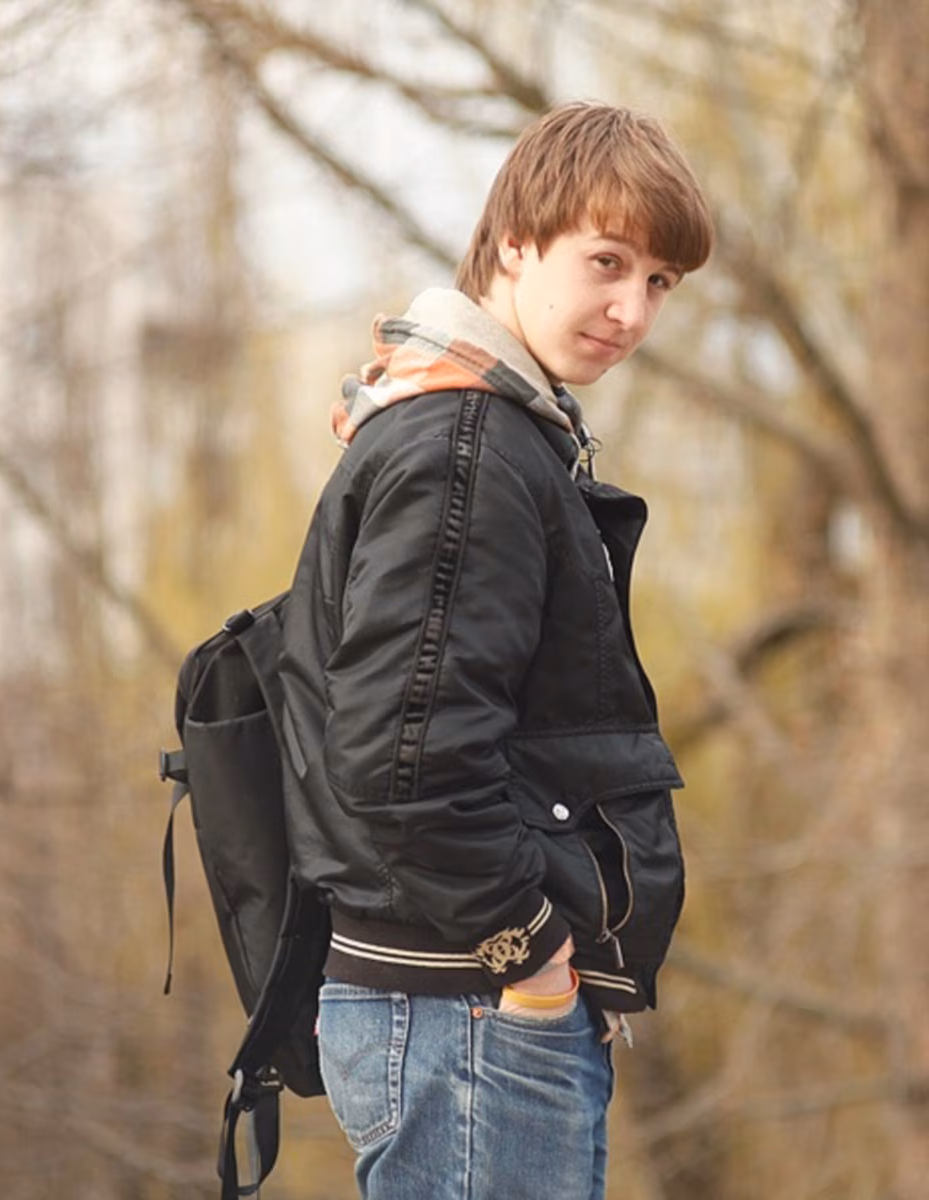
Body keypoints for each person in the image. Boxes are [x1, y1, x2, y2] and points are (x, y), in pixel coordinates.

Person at [278, 101, 713, 1199]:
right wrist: (532, 959)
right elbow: (401, 759)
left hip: (458, 1008)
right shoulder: (467, 448)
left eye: (659, 281)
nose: (631, 310)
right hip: (465, 1007)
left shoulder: (492, 432)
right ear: (516, 242)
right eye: (607, 262)